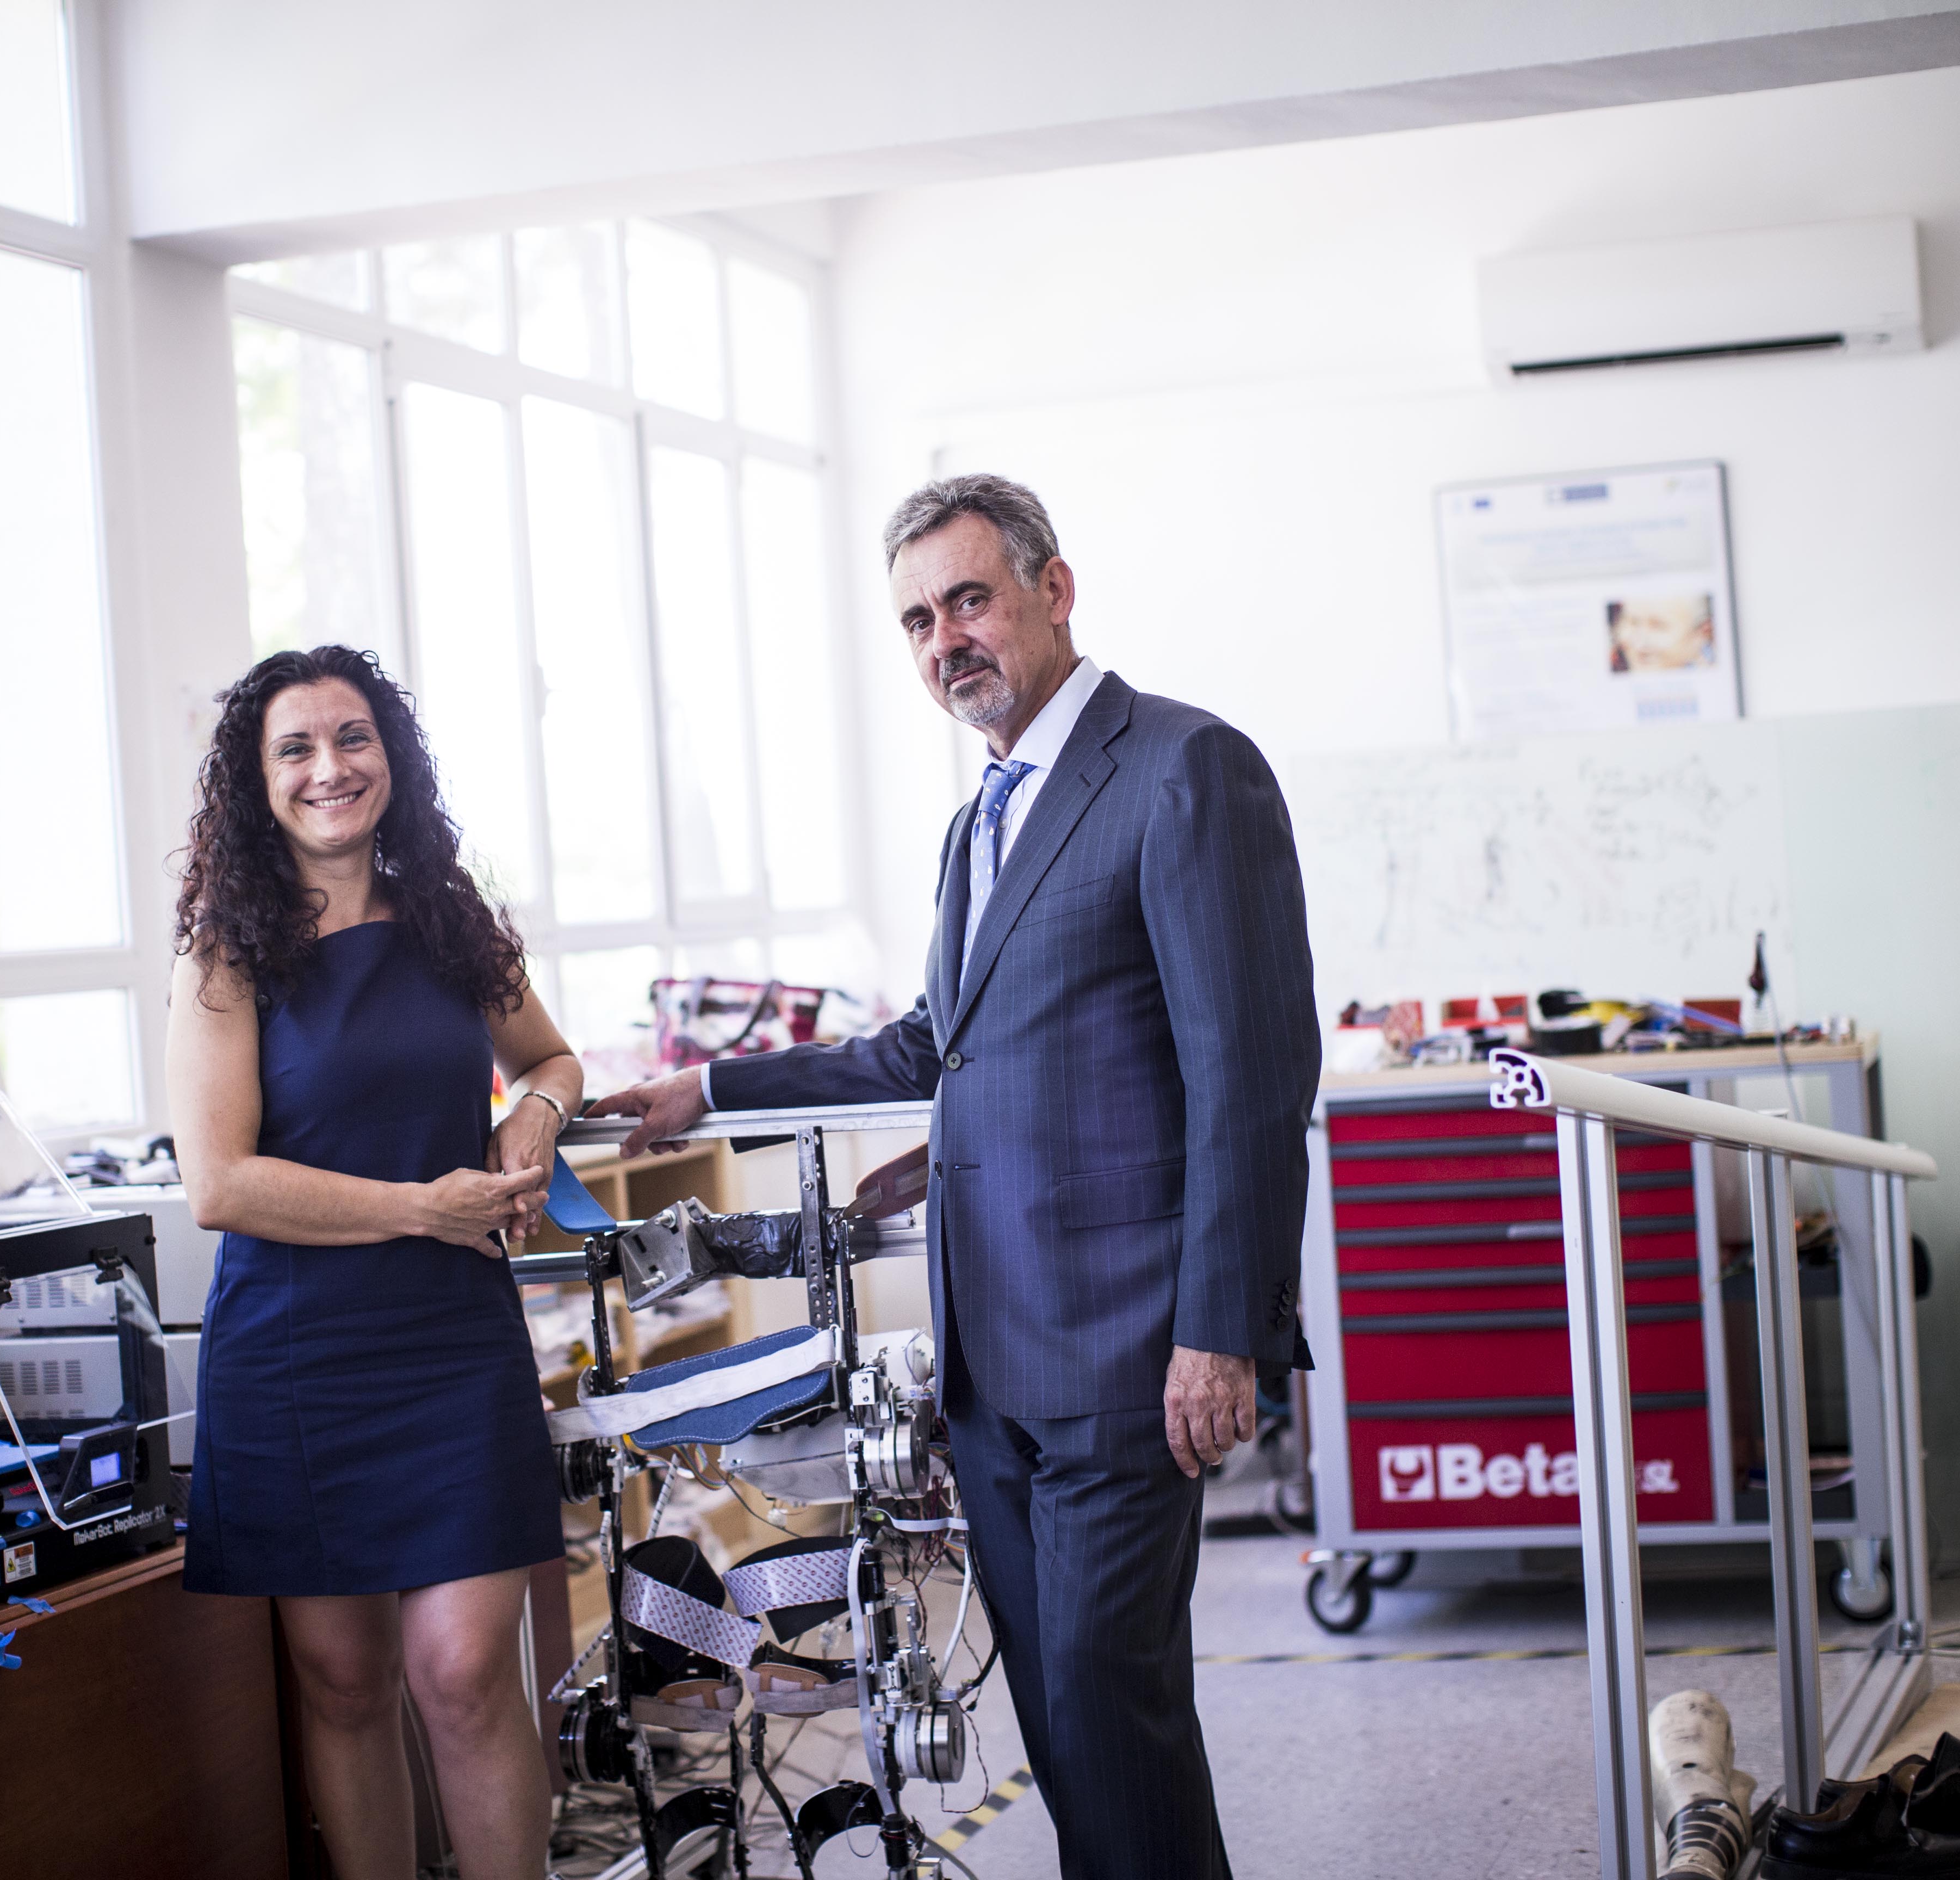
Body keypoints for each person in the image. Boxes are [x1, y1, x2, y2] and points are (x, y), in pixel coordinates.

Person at [593, 475, 1318, 1880]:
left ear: (1055, 590)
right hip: (993, 1356)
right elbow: (942, 1041)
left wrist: (1222, 1332)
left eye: (970, 600)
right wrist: (712, 1088)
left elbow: (1251, 1073)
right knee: (1064, 1721)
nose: (946, 641)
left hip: (1130, 1347)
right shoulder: (980, 817)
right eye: (919, 621)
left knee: (1111, 1705)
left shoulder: (1184, 769)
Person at [168, 645, 577, 1880]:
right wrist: (421, 1208)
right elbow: (220, 1184)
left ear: (390, 754)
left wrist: (532, 1118)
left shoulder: (453, 922)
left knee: (464, 1670)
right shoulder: (225, 956)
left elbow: (552, 1058)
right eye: (294, 748)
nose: (329, 768)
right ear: (258, 782)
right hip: (296, 1352)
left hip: (450, 1343)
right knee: (344, 1682)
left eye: (352, 737)